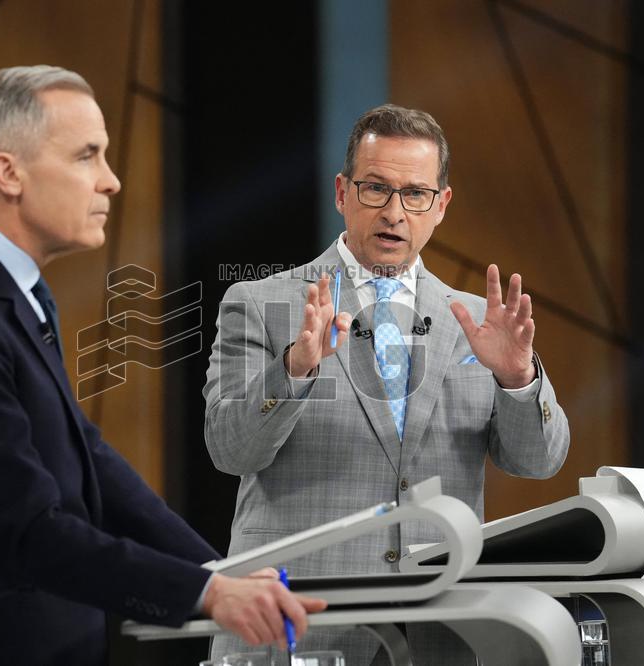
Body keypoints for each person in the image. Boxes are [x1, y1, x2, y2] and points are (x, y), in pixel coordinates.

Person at [0, 65, 324, 666]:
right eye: (87, 156)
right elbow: (29, 530)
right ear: (8, 173)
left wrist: (221, 570)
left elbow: (89, 461)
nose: (111, 180)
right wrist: (206, 593)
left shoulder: (9, 290)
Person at [203, 104, 570, 664]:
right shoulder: (263, 304)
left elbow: (539, 462)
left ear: (441, 205)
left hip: (439, 630)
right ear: (341, 192)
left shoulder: (478, 322)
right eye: (375, 189)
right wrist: (297, 367)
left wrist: (518, 377)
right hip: (298, 624)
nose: (395, 212)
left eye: (415, 194)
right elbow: (231, 450)